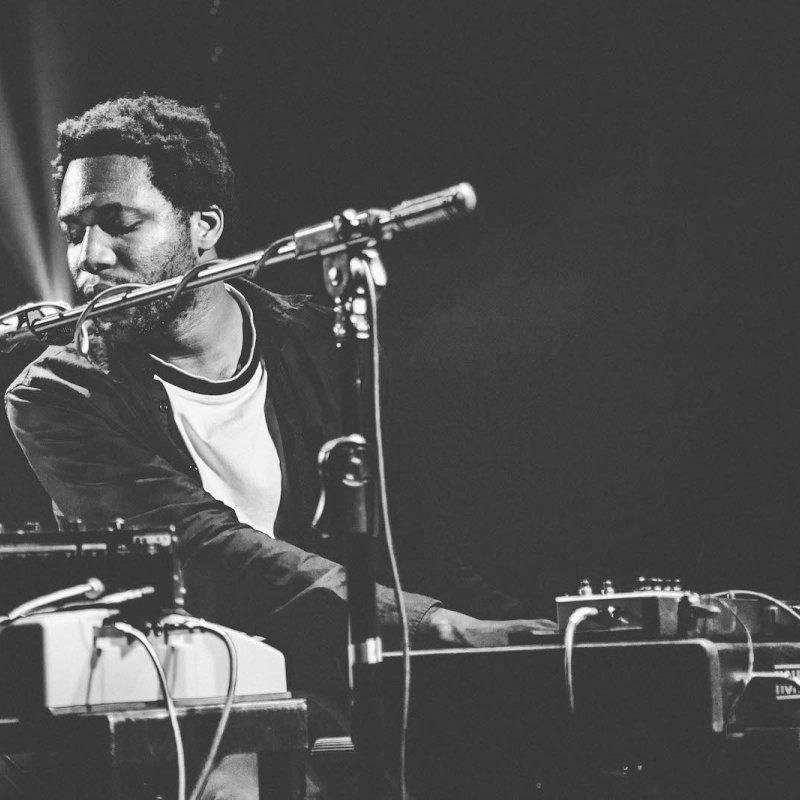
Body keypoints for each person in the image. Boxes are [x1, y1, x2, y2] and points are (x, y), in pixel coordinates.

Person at [3, 95, 552, 797]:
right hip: (188, 735)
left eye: (118, 223)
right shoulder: (58, 397)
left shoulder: (326, 347)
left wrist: (550, 640)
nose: (89, 257)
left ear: (204, 226)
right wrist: (437, 628)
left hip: (344, 708)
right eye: (74, 230)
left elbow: (416, 551)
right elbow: (204, 552)